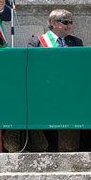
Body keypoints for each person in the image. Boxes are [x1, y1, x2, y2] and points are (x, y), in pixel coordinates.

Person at [27, 9, 83, 151]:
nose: (69, 26)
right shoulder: (36, 42)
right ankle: (51, 145)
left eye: (70, 23)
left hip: (69, 88)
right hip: (46, 88)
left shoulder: (76, 42)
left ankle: (86, 145)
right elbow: (32, 67)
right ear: (53, 23)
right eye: (65, 22)